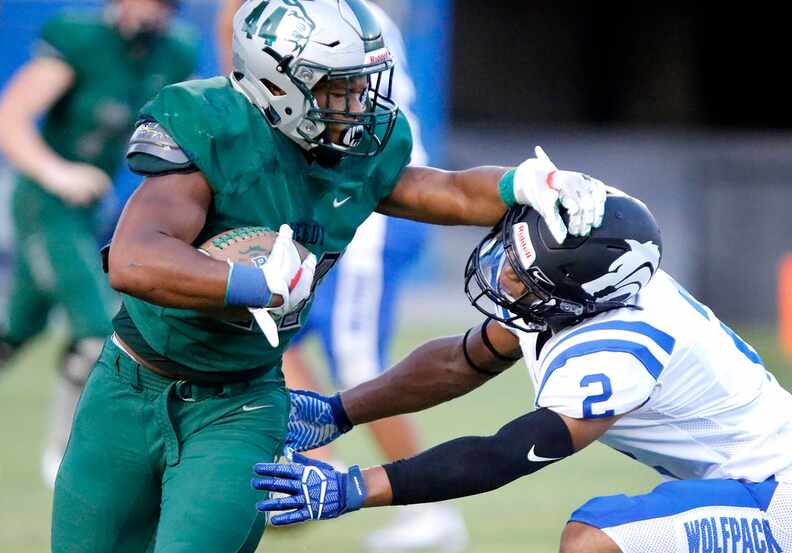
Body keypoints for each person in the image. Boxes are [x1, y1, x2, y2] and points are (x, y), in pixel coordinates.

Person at [50, 1, 607, 552]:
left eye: (361, 86)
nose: (358, 105)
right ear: (276, 83)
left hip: (238, 404)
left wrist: (526, 184)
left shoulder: (363, 148)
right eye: (337, 88)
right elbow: (135, 259)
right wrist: (253, 286)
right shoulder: (210, 121)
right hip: (127, 384)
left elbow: (446, 190)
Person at [254, 190, 792, 553]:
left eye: (525, 274)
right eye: (512, 253)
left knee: (593, 541)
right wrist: (340, 412)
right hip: (738, 483)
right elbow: (462, 359)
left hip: (782, 500)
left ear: (579, 296)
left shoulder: (619, 348)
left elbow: (507, 453)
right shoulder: (577, 295)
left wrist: (358, 487)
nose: (504, 275)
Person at [216, 0, 467, 549]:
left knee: (355, 358)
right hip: (329, 200)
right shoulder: (308, 18)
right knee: (270, 326)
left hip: (371, 206)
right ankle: (307, 458)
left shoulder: (338, 23)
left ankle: (430, 509)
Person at [0, 0, 197, 487]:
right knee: (100, 326)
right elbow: (12, 118)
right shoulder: (80, 39)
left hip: (93, 210)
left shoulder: (172, 52)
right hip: (46, 204)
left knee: (16, 327)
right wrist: (57, 172)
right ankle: (65, 454)